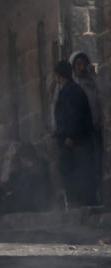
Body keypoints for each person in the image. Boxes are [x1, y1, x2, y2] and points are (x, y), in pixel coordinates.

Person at [53, 60, 98, 207]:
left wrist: (70, 136)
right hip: (70, 141)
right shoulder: (68, 91)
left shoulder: (73, 91)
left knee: (79, 176)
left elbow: (75, 116)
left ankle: (83, 206)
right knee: (71, 175)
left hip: (76, 142)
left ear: (59, 76)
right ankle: (76, 204)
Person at [70, 51, 107, 201]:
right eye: (77, 64)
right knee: (83, 166)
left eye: (83, 64)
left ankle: (97, 194)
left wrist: (95, 76)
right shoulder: (71, 86)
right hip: (80, 134)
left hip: (94, 129)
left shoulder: (92, 82)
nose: (81, 67)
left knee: (97, 163)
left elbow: (106, 93)